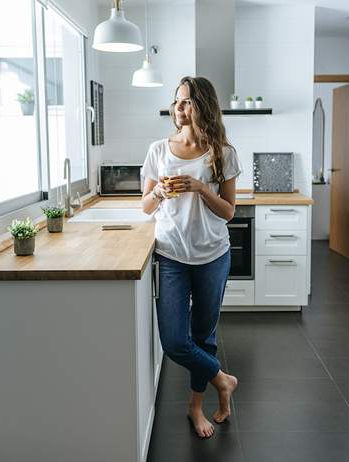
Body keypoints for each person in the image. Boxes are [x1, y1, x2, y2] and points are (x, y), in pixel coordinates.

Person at [141, 76, 240, 438]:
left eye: (187, 102)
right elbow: (145, 206)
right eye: (177, 102)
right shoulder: (158, 150)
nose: (179, 109)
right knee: (175, 342)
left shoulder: (223, 153)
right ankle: (222, 379)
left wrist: (200, 188)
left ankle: (195, 407)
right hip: (171, 256)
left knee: (203, 335)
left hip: (213, 255)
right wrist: (161, 195)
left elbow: (229, 211)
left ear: (203, 106)